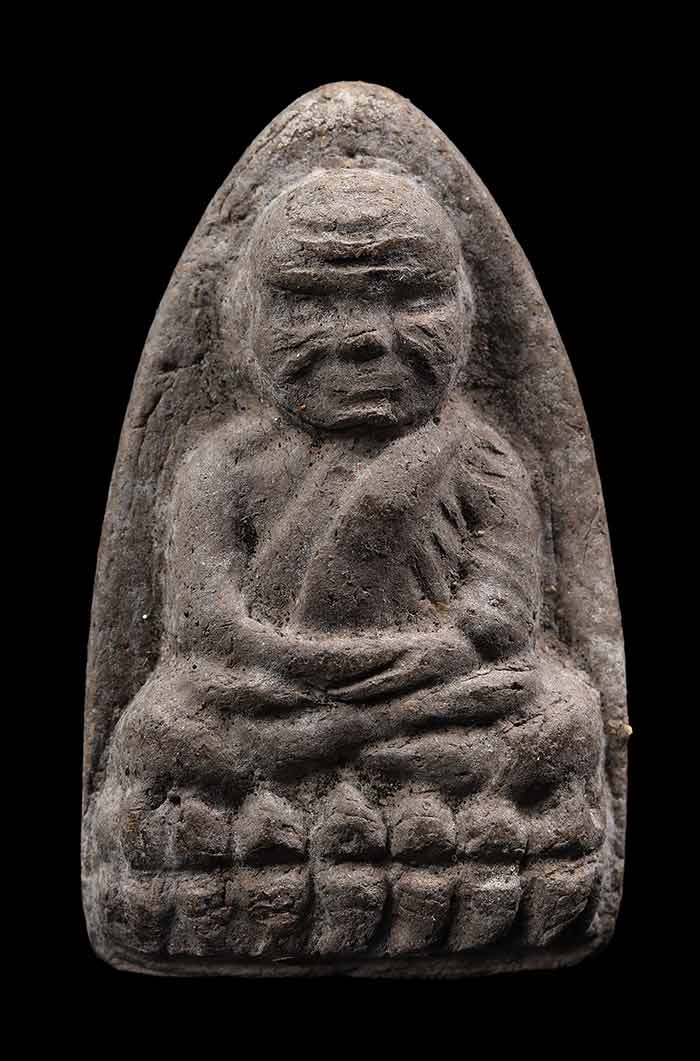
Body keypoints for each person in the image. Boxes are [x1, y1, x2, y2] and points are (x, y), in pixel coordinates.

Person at [86, 169, 606, 960]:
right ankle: (406, 841)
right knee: (159, 731)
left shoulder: (480, 458)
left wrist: (415, 666)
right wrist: (303, 666)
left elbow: (501, 615)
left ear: (465, 309)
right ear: (245, 318)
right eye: (311, 304)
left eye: (410, 298)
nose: (365, 336)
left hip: (435, 698)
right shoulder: (223, 465)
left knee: (563, 715)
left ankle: (311, 836)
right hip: (274, 695)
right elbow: (206, 623)